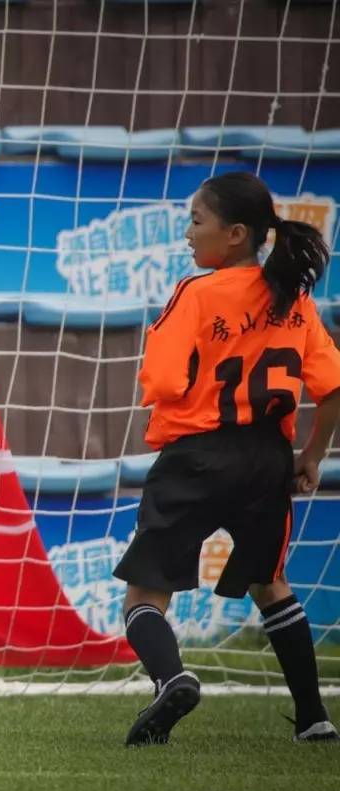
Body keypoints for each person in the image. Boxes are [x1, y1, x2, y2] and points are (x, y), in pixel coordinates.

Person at [114, 170, 340, 746]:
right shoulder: (295, 299)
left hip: (197, 454)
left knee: (145, 593)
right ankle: (314, 718)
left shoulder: (197, 293)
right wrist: (311, 455)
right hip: (268, 458)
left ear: (236, 233)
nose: (189, 233)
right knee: (272, 584)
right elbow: (333, 388)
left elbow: (164, 381)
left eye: (197, 221)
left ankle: (172, 678)